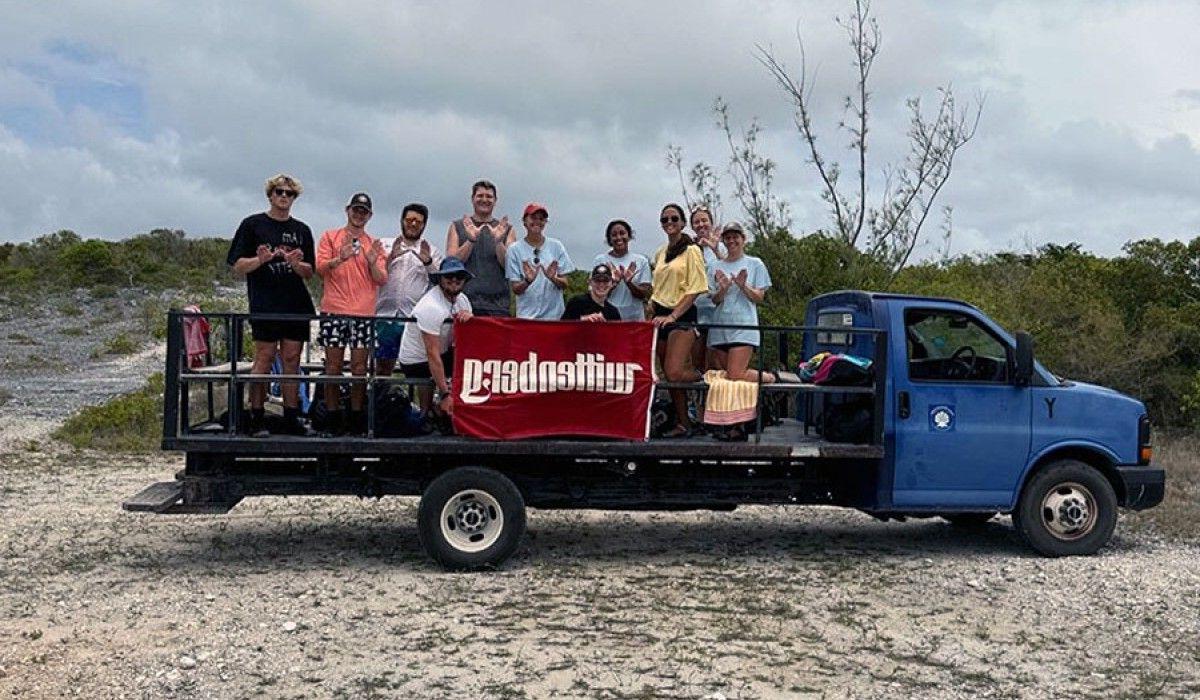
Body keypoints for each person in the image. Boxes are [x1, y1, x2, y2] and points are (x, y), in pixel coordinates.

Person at [226, 173, 316, 438]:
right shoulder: (252, 225)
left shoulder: (302, 230)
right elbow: (237, 265)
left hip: (295, 303)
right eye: (279, 192)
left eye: (289, 193)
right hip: (265, 302)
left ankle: (291, 415)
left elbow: (309, 271)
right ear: (270, 194)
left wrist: (295, 264)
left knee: (291, 359)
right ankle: (256, 415)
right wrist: (260, 260)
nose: (284, 197)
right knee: (263, 358)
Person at [315, 192, 388, 435]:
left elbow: (381, 279)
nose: (359, 215)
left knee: (359, 368)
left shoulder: (374, 245)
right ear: (348, 210)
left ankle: (357, 416)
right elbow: (320, 268)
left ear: (370, 216)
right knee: (333, 367)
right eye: (356, 210)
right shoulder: (330, 236)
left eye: (364, 211)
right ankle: (333, 416)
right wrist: (340, 258)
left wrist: (370, 262)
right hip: (334, 309)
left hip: (363, 313)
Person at [650, 202, 709, 437]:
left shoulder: (692, 250)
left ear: (683, 223)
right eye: (665, 220)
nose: (669, 223)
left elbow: (695, 288)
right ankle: (684, 423)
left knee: (675, 372)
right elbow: (658, 288)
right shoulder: (660, 253)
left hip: (681, 314)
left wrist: (674, 315)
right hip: (659, 314)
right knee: (667, 375)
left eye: (674, 219)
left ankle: (707, 376)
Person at [397, 257, 474, 416]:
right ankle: (430, 411)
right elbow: (432, 353)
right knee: (434, 370)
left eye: (459, 276)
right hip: (416, 360)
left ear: (464, 280)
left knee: (471, 361)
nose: (454, 280)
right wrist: (445, 394)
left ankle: (461, 407)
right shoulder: (430, 307)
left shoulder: (463, 300)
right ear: (440, 279)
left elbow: (466, 340)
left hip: (442, 351)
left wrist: (469, 319)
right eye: (449, 276)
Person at [375, 203, 443, 377]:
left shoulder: (432, 251)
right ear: (402, 221)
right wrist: (391, 257)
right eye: (409, 220)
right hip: (385, 316)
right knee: (383, 367)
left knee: (417, 368)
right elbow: (372, 274)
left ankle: (419, 404)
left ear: (424, 225)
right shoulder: (385, 244)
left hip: (412, 320)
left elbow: (440, 283)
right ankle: (380, 401)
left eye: (418, 222)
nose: (413, 224)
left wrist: (427, 263)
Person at [708, 222, 775, 384]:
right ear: (723, 241)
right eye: (728, 237)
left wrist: (743, 285)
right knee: (725, 379)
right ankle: (736, 409)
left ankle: (771, 378)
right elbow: (714, 300)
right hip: (720, 328)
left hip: (744, 327)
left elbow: (759, 297)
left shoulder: (755, 263)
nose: (732, 241)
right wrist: (723, 288)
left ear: (743, 239)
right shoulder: (714, 266)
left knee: (735, 374)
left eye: (735, 237)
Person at [445, 180, 516, 316]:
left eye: (489, 196)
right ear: (473, 199)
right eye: (480, 196)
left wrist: (499, 241)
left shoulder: (507, 229)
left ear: (495, 201)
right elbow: (451, 264)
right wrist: (470, 240)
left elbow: (510, 266)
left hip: (499, 305)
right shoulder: (457, 226)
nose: (484, 200)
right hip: (464, 303)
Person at [506, 202, 573, 319]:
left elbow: (565, 283)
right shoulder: (514, 249)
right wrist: (527, 281)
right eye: (533, 218)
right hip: (527, 318)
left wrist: (553, 278)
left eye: (541, 219)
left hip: (555, 317)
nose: (537, 222)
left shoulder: (557, 246)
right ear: (524, 222)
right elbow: (515, 289)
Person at [689, 206, 725, 374]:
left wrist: (716, 249)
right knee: (696, 361)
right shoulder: (689, 248)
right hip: (695, 310)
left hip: (716, 309)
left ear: (711, 223)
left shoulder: (721, 246)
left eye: (704, 220)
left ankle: (713, 398)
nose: (701, 224)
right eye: (697, 222)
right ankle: (697, 399)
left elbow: (730, 269)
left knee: (714, 362)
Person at [592, 219, 651, 321]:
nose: (619, 237)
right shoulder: (600, 260)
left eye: (622, 233)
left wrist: (629, 283)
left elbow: (645, 294)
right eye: (614, 235)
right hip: (607, 318)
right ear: (609, 239)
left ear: (629, 236)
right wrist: (612, 283)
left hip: (634, 319)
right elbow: (594, 294)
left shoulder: (641, 261)